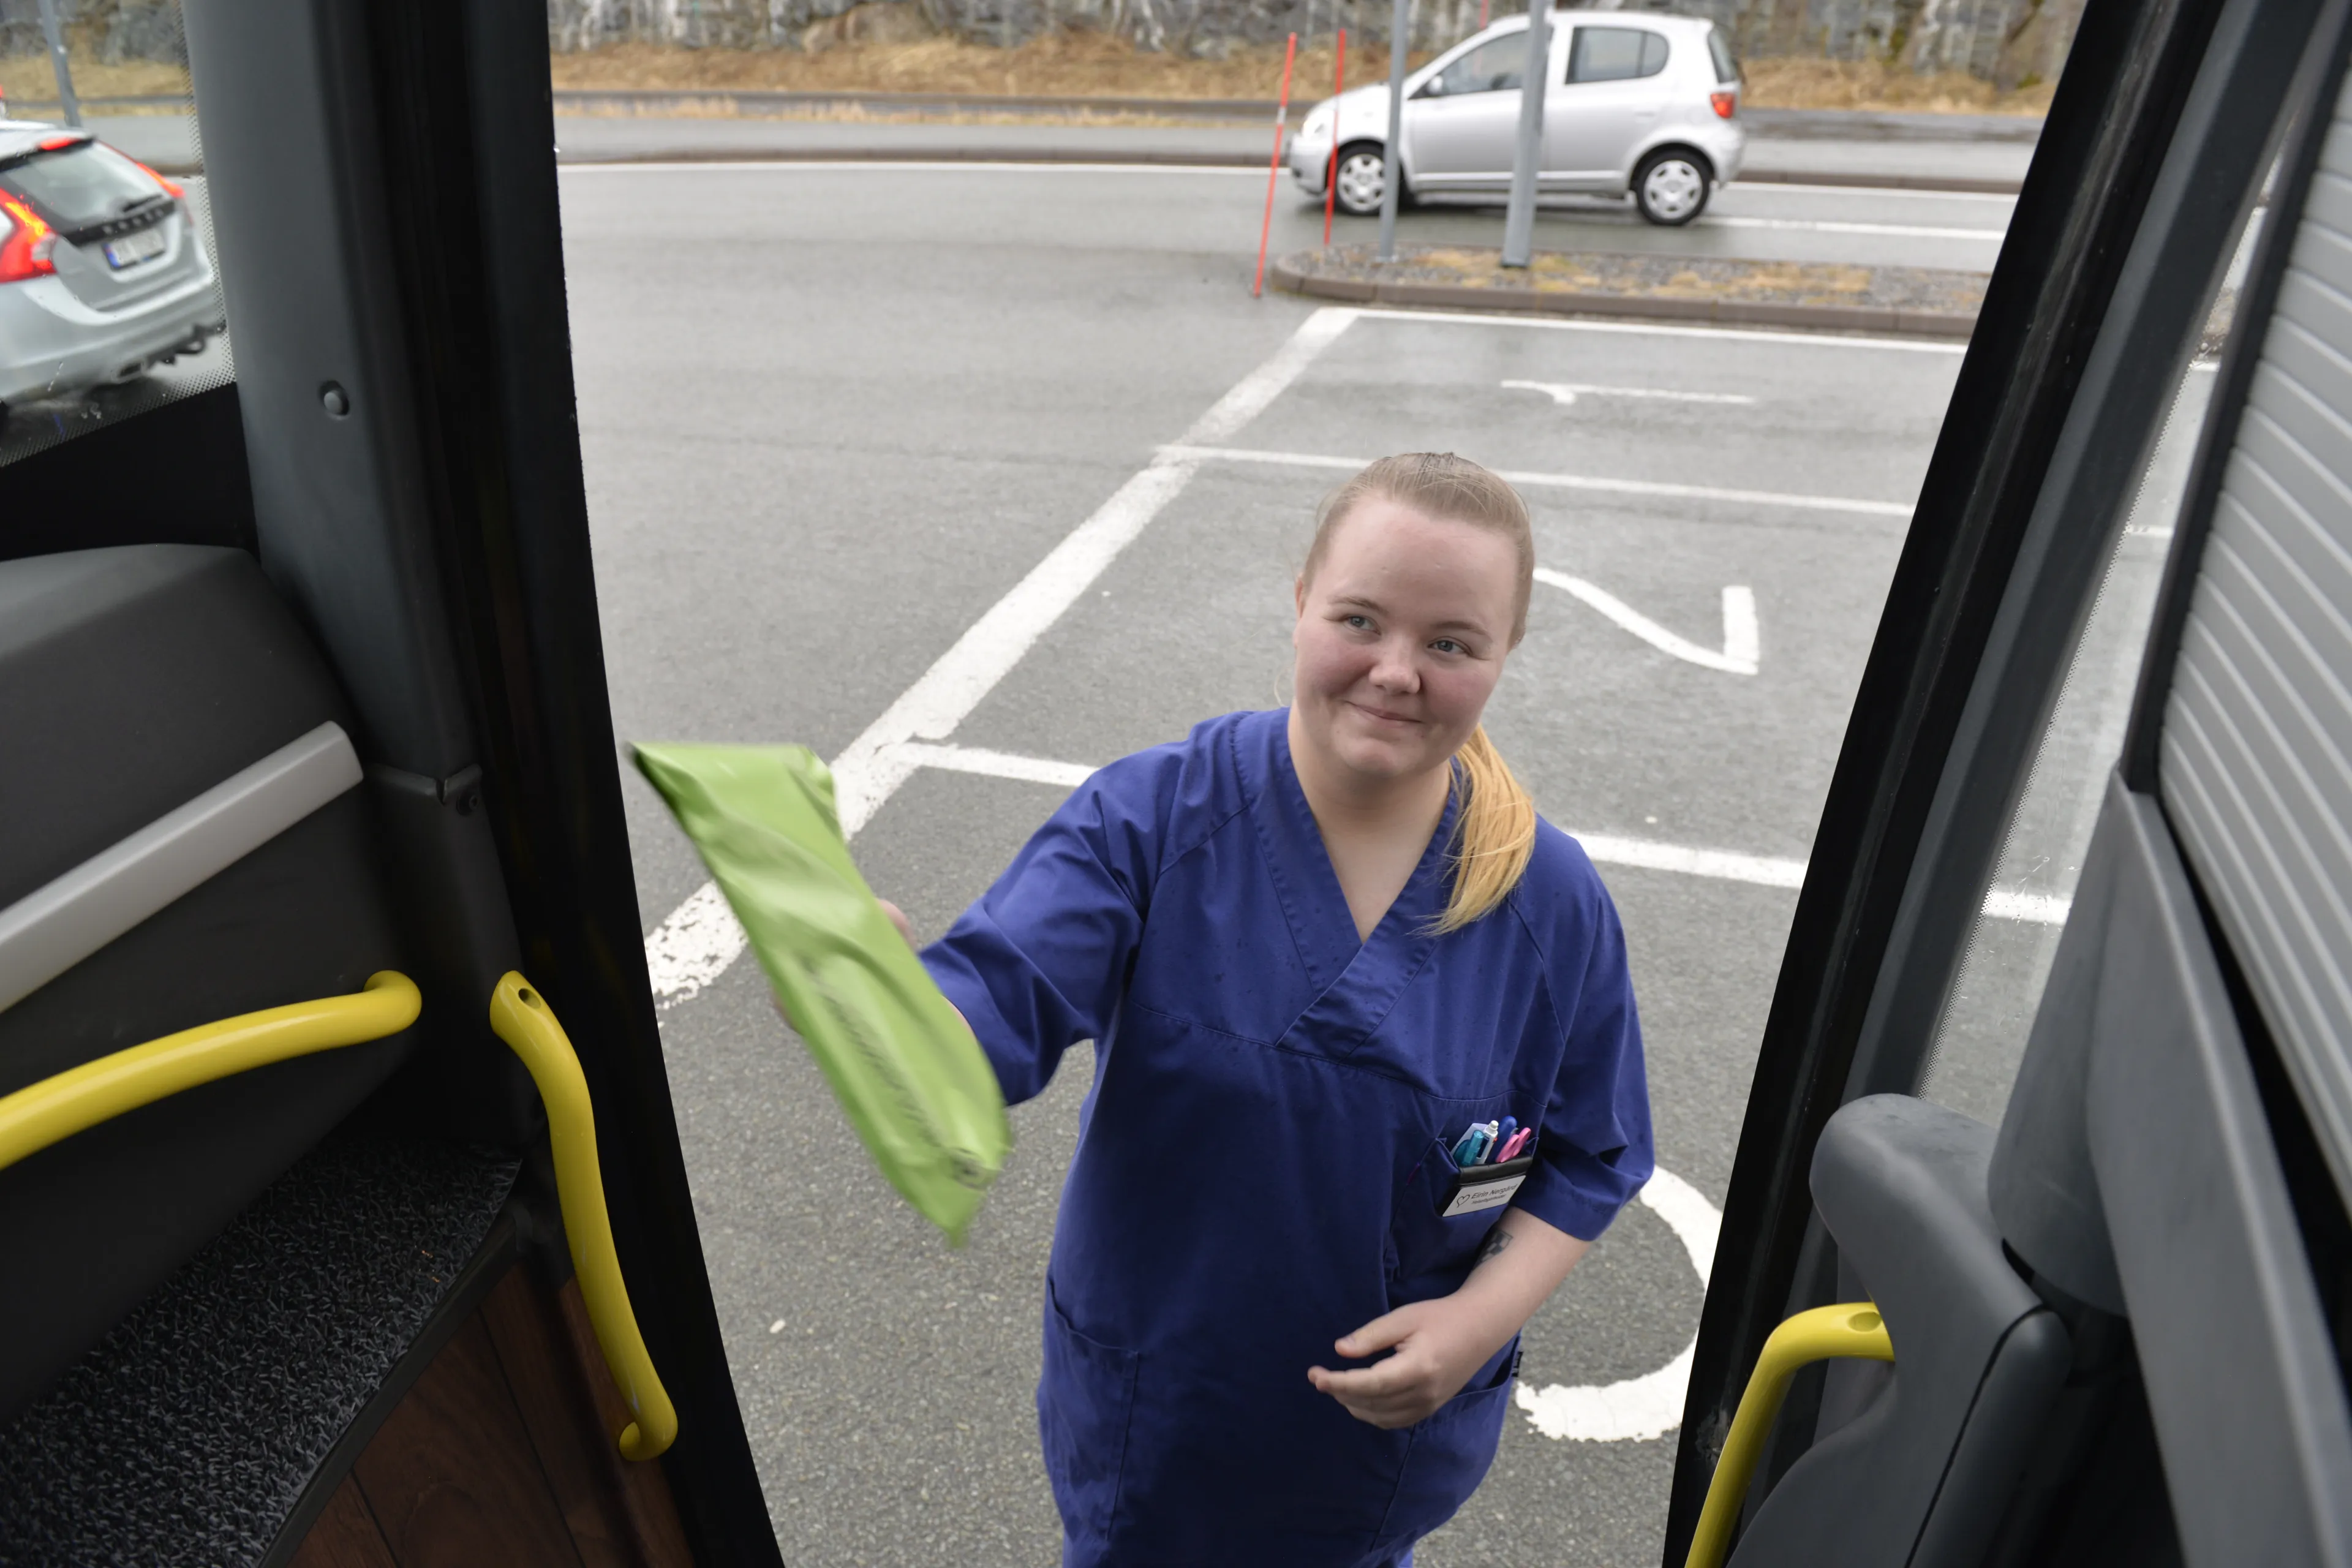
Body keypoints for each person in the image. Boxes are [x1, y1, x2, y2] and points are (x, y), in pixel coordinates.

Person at [908, 453, 1653, 1567]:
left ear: (1504, 657)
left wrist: (1476, 1322)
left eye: (1451, 642)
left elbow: (1590, 1156)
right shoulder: (1152, 821)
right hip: (1158, 1433)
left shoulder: (1549, 903)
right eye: (1361, 618)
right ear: (1301, 599)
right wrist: (868, 997)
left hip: (1372, 1471)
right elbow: (986, 1016)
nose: (1397, 672)